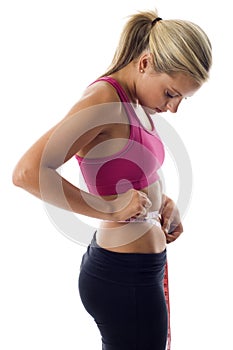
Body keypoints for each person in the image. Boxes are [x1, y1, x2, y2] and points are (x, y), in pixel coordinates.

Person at [12, 8, 212, 350]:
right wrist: (107, 209)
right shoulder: (104, 99)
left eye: (183, 98)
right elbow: (28, 172)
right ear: (146, 64)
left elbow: (133, 170)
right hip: (123, 277)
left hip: (137, 270)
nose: (174, 108)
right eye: (170, 93)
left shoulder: (135, 102)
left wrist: (163, 204)